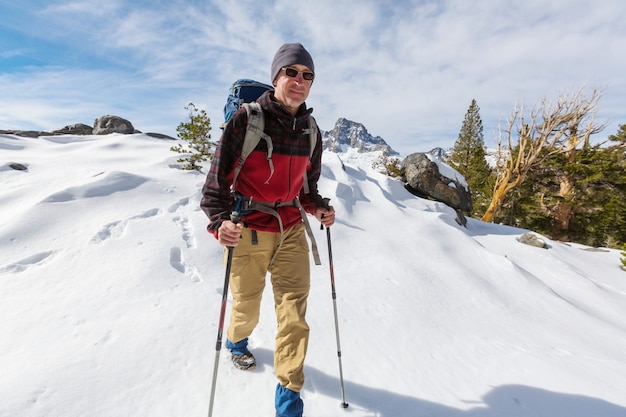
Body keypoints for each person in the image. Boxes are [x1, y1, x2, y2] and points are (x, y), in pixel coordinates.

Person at [200, 42, 335, 417]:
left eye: (307, 75)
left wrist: (320, 209)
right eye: (291, 72)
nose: (299, 81)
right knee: (245, 307)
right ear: (276, 75)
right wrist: (220, 223)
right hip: (250, 229)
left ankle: (289, 402)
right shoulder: (246, 120)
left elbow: (307, 189)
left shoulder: (310, 130)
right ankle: (237, 341)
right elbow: (214, 187)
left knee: (294, 316)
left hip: (291, 229)